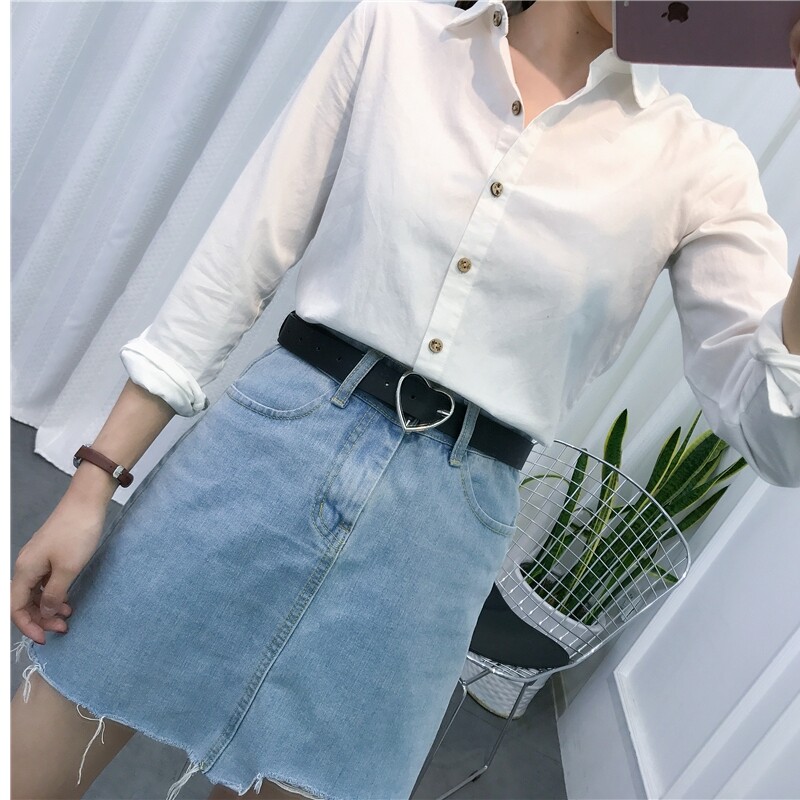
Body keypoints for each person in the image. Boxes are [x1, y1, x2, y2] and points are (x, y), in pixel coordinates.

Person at [10, 1, 800, 798]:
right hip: (262, 453)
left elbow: (779, 432)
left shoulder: (700, 164)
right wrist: (93, 480)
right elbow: (233, 267)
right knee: (37, 761)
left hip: (434, 543)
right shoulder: (396, 34)